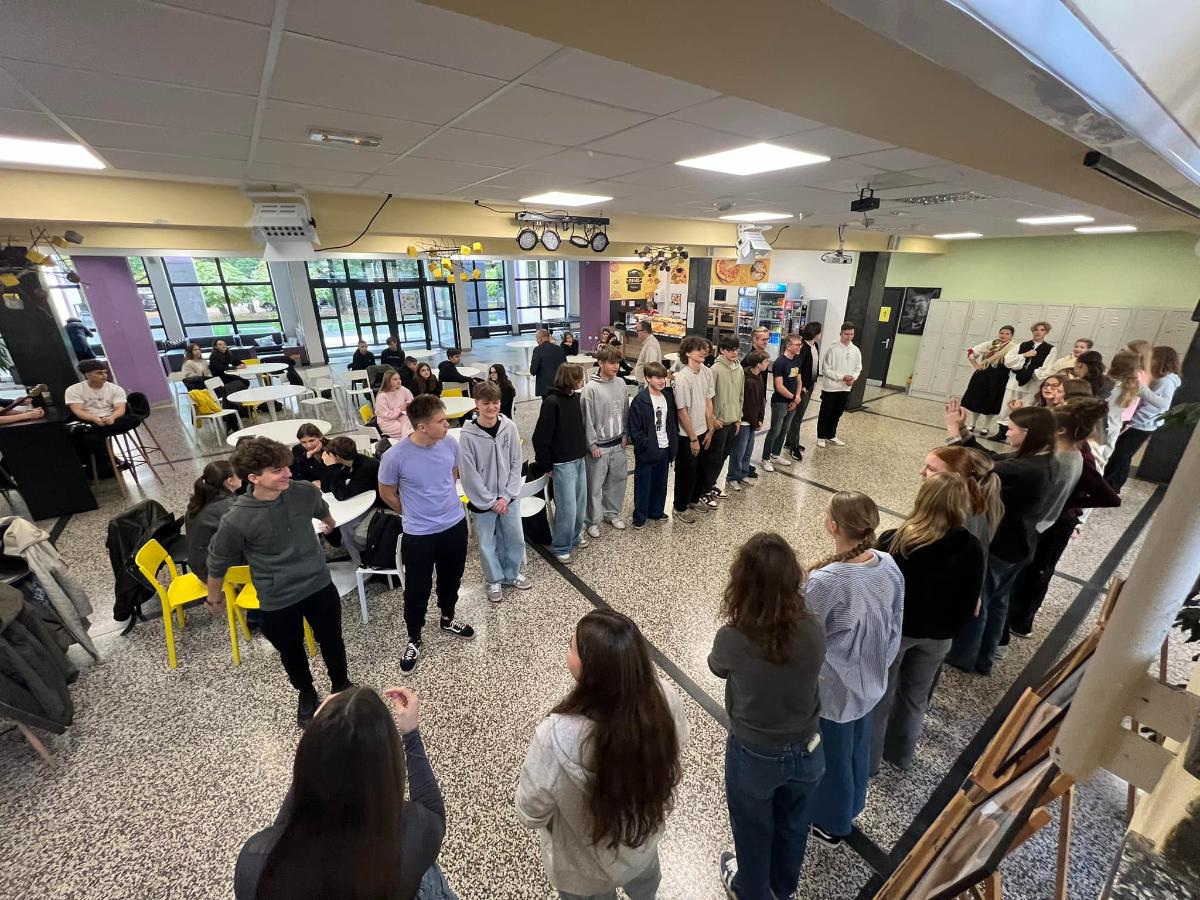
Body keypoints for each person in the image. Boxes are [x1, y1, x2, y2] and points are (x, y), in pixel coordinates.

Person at [516, 610, 688, 900]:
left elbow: (531, 812)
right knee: (646, 890)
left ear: (592, 672)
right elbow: (677, 746)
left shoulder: (554, 736)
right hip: (642, 846)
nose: (567, 650)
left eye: (572, 647)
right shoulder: (664, 698)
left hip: (585, 870)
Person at [234, 685, 454, 900]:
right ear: (387, 772)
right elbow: (434, 813)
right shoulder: (411, 834)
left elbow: (283, 829)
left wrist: (318, 741)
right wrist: (411, 736)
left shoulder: (254, 861)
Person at [710, 533, 825, 900]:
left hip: (754, 750)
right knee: (794, 824)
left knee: (752, 829)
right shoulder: (814, 628)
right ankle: (782, 887)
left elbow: (717, 667)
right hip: (808, 745)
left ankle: (751, 890)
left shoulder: (734, 637)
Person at [205, 437, 348, 726]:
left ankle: (341, 684)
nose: (288, 473)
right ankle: (306, 692)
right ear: (253, 478)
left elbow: (322, 511)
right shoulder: (236, 518)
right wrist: (214, 597)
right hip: (277, 597)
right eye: (277, 470)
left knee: (332, 638)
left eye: (286, 466)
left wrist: (330, 523)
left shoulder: (304, 492)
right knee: (291, 650)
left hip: (319, 585)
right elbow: (218, 561)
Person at [804, 492, 904, 846]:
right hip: (871, 677)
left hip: (835, 687)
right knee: (857, 746)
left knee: (832, 755)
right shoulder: (887, 563)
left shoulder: (826, 581)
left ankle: (831, 822)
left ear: (834, 526)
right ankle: (854, 801)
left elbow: (807, 636)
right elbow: (896, 620)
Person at [870, 473, 984, 773]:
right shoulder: (971, 547)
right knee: (915, 697)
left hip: (896, 632)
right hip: (939, 636)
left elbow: (878, 587)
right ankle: (900, 756)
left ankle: (869, 761)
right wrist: (951, 628)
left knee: (881, 696)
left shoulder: (896, 540)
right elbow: (971, 597)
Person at [941, 400, 1057, 675]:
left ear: (1028, 434)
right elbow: (992, 458)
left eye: (1012, 428)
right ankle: (987, 654)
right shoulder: (1040, 459)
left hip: (1000, 546)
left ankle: (965, 656)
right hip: (1019, 545)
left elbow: (979, 469)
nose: (1007, 431)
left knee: (978, 601)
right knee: (997, 602)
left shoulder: (1025, 469)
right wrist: (965, 432)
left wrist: (952, 433)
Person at [378, 395, 475, 674]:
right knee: (417, 587)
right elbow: (386, 492)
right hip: (419, 534)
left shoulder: (450, 443)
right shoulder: (395, 456)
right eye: (441, 421)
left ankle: (447, 617)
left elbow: (452, 475)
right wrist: (411, 512)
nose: (447, 425)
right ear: (422, 426)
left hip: (453, 525)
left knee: (451, 577)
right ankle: (414, 637)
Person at [1007, 399, 1117, 638]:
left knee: (1038, 572)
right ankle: (1012, 616)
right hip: (1046, 519)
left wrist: (1069, 501)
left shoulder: (1078, 456)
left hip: (1056, 524)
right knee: (1026, 571)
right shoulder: (1059, 450)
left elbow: (1110, 497)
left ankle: (1022, 622)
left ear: (1061, 430)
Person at [459, 381, 531, 602]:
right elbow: (469, 473)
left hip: (509, 498)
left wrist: (506, 496)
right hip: (483, 502)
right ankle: (494, 580)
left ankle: (512, 573)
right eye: (486, 403)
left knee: (515, 537)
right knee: (486, 544)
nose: (491, 407)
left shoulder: (509, 427)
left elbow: (516, 462)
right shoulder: (467, 435)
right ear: (477, 404)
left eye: (495, 402)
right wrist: (491, 501)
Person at [1104, 345, 1182, 493]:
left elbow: (1162, 404)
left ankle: (1113, 486)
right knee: (1120, 454)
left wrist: (1142, 392)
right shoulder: (1160, 378)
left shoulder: (1166, 380)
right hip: (1139, 422)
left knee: (1122, 455)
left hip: (1142, 424)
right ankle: (1110, 484)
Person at [533, 364, 589, 563]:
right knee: (567, 507)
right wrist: (547, 465)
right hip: (562, 463)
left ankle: (574, 536)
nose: (582, 381)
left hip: (579, 459)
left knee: (580, 504)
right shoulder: (551, 402)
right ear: (569, 379)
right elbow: (540, 438)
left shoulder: (575, 398)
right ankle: (561, 545)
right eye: (579, 378)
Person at [582, 346, 630, 538]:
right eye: (611, 362)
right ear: (601, 363)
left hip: (618, 443)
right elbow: (586, 419)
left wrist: (626, 433)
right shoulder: (590, 389)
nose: (616, 366)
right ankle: (592, 521)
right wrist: (591, 444)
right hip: (598, 448)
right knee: (594, 487)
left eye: (617, 362)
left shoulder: (621, 383)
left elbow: (625, 410)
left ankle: (612, 514)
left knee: (617, 482)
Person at [63, 360, 141, 474]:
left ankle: (89, 429)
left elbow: (120, 409)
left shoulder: (115, 388)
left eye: (105, 372)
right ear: (87, 374)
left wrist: (112, 417)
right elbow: (78, 410)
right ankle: (114, 461)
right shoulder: (73, 389)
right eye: (99, 373)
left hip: (111, 419)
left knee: (134, 419)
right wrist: (94, 419)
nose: (104, 376)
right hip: (88, 419)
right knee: (90, 439)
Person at [920, 445, 1004, 549]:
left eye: (931, 469)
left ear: (954, 476)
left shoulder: (952, 514)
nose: (922, 472)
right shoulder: (973, 501)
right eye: (924, 466)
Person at [671, 335, 716, 522]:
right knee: (686, 472)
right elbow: (682, 412)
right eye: (699, 349)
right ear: (688, 353)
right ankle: (679, 506)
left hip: (704, 430)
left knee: (702, 469)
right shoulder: (682, 378)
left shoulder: (707, 372)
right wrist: (693, 439)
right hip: (687, 435)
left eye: (705, 349)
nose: (704, 352)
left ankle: (694, 499)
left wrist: (710, 429)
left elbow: (708, 401)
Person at [627, 362, 676, 529]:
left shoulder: (667, 396)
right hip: (648, 449)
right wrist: (645, 445)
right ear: (648, 378)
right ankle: (639, 516)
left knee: (660, 483)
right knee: (643, 485)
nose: (662, 381)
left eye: (663, 377)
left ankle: (656, 511)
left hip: (665, 447)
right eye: (657, 378)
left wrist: (672, 443)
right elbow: (635, 429)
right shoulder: (640, 400)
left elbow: (671, 422)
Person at [321, 436, 381, 565]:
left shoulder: (367, 467)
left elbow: (341, 495)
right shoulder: (349, 464)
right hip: (363, 504)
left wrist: (332, 468)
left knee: (347, 526)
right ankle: (358, 560)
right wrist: (329, 468)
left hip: (380, 506)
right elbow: (326, 489)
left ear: (336, 456)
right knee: (344, 526)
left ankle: (361, 563)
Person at [185, 460, 241, 581]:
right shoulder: (229, 507)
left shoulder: (200, 500)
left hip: (200, 565)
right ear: (230, 481)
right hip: (213, 573)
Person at [999, 321, 1054, 435]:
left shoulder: (1050, 349)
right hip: (1015, 381)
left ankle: (1020, 434)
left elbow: (1047, 368)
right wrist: (1024, 355)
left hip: (1032, 383)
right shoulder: (1022, 345)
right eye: (1036, 329)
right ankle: (1002, 432)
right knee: (1007, 406)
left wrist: (1030, 372)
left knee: (1026, 408)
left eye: (1042, 330)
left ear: (1046, 332)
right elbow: (1008, 360)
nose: (1038, 332)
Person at [706, 335, 745, 498]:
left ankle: (712, 484)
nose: (734, 353)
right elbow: (709, 397)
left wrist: (738, 417)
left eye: (736, 349)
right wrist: (713, 419)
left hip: (733, 420)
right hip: (719, 422)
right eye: (730, 350)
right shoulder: (715, 369)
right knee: (714, 457)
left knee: (723, 456)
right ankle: (705, 488)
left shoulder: (739, 369)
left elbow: (740, 395)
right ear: (722, 350)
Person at [726, 350, 769, 489]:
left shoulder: (759, 377)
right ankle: (732, 477)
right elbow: (748, 406)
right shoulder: (747, 380)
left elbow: (761, 400)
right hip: (744, 422)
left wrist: (761, 418)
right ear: (758, 364)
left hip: (753, 422)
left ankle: (743, 474)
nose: (768, 363)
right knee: (738, 452)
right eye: (766, 361)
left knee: (747, 452)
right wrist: (756, 422)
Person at [961, 325, 1016, 436]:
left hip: (999, 378)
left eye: (1007, 334)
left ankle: (986, 426)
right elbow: (972, 352)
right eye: (1002, 333)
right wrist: (975, 365)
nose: (1003, 336)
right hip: (983, 375)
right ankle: (972, 424)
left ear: (1011, 336)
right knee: (977, 399)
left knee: (992, 401)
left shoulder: (1014, 348)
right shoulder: (990, 344)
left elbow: (1015, 361)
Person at [817, 322, 862, 449]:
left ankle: (831, 435)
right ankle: (821, 436)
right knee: (826, 413)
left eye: (851, 334)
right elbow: (826, 370)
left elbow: (858, 367)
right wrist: (842, 377)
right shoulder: (832, 349)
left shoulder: (856, 350)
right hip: (831, 388)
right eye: (846, 334)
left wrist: (853, 378)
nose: (849, 337)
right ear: (841, 333)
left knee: (837, 413)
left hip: (845, 387)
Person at [761, 335, 802, 471]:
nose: (799, 347)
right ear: (788, 346)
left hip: (792, 401)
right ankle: (765, 458)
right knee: (775, 430)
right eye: (796, 345)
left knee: (785, 429)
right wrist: (793, 398)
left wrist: (797, 397)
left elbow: (799, 381)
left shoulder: (797, 360)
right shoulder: (780, 362)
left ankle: (775, 454)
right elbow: (779, 386)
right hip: (780, 402)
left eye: (800, 344)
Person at [1094, 349, 1141, 470]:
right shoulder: (1132, 386)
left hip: (1099, 426)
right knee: (1102, 461)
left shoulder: (1105, 382)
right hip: (1114, 426)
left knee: (1093, 459)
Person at [784, 321, 822, 458]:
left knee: (799, 416)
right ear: (815, 332)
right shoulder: (803, 347)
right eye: (820, 331)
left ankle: (791, 441)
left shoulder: (815, 345)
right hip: (803, 387)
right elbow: (799, 368)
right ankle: (793, 445)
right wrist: (802, 387)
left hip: (810, 384)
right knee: (797, 417)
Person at [742, 327, 772, 480]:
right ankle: (741, 467)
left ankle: (745, 465)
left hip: (758, 398)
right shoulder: (750, 360)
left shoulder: (762, 357)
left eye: (767, 339)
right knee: (743, 443)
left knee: (749, 442)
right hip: (749, 407)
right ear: (754, 339)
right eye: (763, 339)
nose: (766, 342)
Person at [375, 369, 415, 441]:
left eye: (399, 378)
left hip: (401, 416)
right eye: (395, 379)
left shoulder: (403, 389)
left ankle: (408, 443)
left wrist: (407, 405)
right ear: (388, 381)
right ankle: (404, 444)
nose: (399, 381)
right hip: (387, 422)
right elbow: (386, 415)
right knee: (406, 430)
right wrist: (400, 409)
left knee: (413, 425)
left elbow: (411, 401)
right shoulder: (382, 396)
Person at [290, 423, 334, 489]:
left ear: (320, 437)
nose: (309, 445)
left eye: (312, 440)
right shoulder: (298, 450)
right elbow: (295, 474)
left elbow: (332, 475)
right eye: (303, 442)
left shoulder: (332, 448)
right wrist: (308, 455)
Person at [531, 329, 567, 398]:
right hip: (560, 385)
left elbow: (533, 370)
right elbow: (565, 367)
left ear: (541, 338)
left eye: (537, 338)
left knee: (547, 404)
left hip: (545, 387)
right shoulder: (560, 349)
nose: (537, 341)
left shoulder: (537, 350)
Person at [631, 319, 662, 384]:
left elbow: (651, 368)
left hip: (645, 383)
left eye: (638, 331)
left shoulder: (650, 345)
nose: (636, 333)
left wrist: (647, 386)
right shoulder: (649, 343)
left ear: (645, 331)